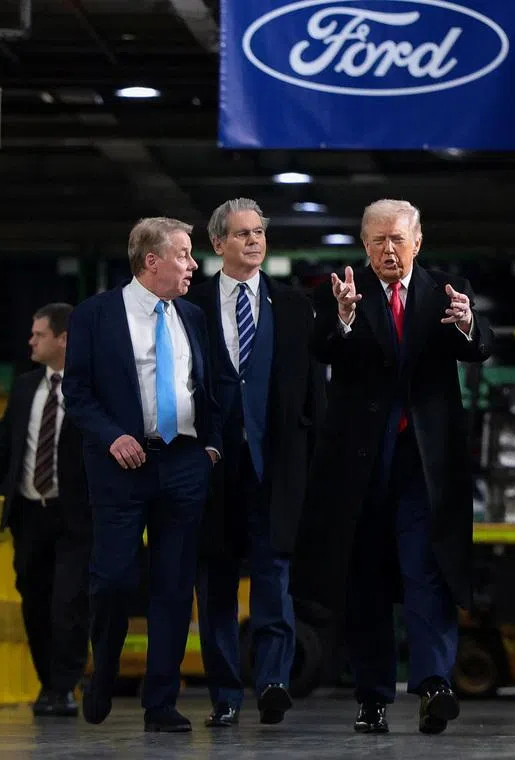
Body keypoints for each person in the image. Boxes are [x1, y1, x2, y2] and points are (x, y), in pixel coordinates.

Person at [291, 198, 493, 735]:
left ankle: (434, 686)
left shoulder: (447, 291)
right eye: (378, 240)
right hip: (359, 468)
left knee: (427, 574)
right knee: (366, 583)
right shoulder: (338, 291)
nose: (388, 249)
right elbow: (322, 348)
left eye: (397, 239)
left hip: (423, 467)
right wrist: (345, 317)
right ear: (364, 244)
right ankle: (373, 697)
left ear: (417, 242)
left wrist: (468, 323)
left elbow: (478, 347)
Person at [62, 217, 222, 733]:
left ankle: (161, 703)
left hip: (184, 464)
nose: (193, 264)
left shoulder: (192, 316)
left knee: (174, 586)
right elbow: (77, 393)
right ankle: (103, 671)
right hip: (121, 467)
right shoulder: (95, 315)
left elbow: (207, 386)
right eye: (184, 254)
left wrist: (211, 446)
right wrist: (112, 436)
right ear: (151, 261)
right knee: (113, 580)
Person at [186, 199, 324, 728]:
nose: (254, 241)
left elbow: (312, 391)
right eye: (242, 233)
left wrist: (314, 462)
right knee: (216, 584)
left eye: (259, 232)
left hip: (276, 466)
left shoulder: (293, 305)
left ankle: (272, 683)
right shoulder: (190, 305)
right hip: (212, 470)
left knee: (275, 578)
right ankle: (225, 696)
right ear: (218, 243)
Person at [0, 303, 89, 718]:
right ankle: (48, 685)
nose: (30, 342)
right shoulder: (24, 388)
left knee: (68, 603)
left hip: (74, 516)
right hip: (30, 515)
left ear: (63, 339)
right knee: (34, 601)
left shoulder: (91, 386)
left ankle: (65, 685)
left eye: (39, 335)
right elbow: (2, 448)